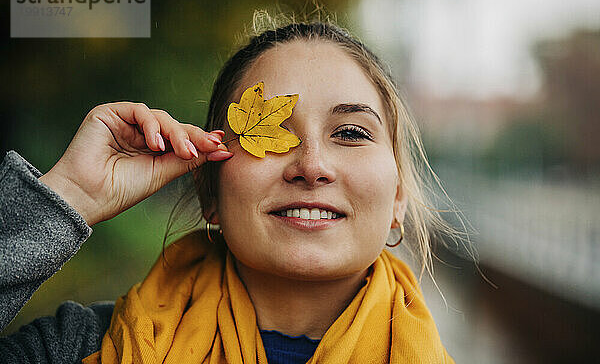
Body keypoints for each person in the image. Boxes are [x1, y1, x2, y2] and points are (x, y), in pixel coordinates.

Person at [0, 19, 456, 363]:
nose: (312, 166)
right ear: (209, 191)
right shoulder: (86, 347)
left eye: (352, 133)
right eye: (273, 133)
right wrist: (67, 197)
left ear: (398, 198)